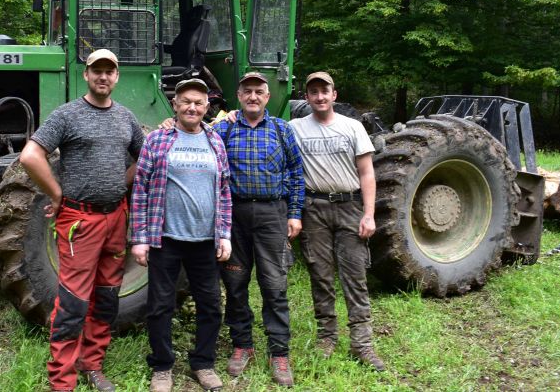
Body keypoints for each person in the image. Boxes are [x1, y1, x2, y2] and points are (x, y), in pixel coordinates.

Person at [19, 49, 145, 392]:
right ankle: (62, 380)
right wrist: (57, 194)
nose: (103, 77)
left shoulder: (126, 118)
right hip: (80, 221)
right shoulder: (67, 115)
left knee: (106, 296)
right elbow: (30, 156)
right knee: (73, 301)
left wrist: (123, 181)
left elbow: (145, 155)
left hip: (117, 218)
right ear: (86, 76)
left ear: (117, 77)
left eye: (109, 72)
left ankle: (93, 365)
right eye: (97, 71)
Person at [130, 78, 232, 392]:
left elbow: (225, 189)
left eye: (198, 103)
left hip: (205, 241)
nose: (192, 107)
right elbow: (140, 190)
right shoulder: (158, 139)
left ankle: (203, 363)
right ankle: (162, 367)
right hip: (166, 239)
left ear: (206, 107)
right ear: (175, 104)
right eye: (186, 101)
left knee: (211, 305)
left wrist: (225, 234)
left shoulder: (215, 141)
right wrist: (140, 237)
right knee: (160, 305)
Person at [213, 71, 305, 387]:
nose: (253, 96)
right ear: (239, 96)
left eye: (259, 92)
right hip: (235, 215)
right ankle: (242, 346)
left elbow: (296, 172)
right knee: (235, 284)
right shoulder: (224, 129)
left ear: (268, 97)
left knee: (274, 285)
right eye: (247, 91)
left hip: (272, 215)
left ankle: (278, 352)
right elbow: (194, 129)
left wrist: (294, 214)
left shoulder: (281, 129)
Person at [289, 71, 386, 372]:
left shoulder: (353, 127)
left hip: (349, 206)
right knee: (320, 273)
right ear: (306, 97)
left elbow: (367, 173)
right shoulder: (294, 128)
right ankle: (327, 337)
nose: (319, 96)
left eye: (324, 91)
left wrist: (369, 214)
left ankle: (362, 343)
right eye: (313, 91)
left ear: (334, 95)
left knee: (354, 274)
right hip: (313, 206)